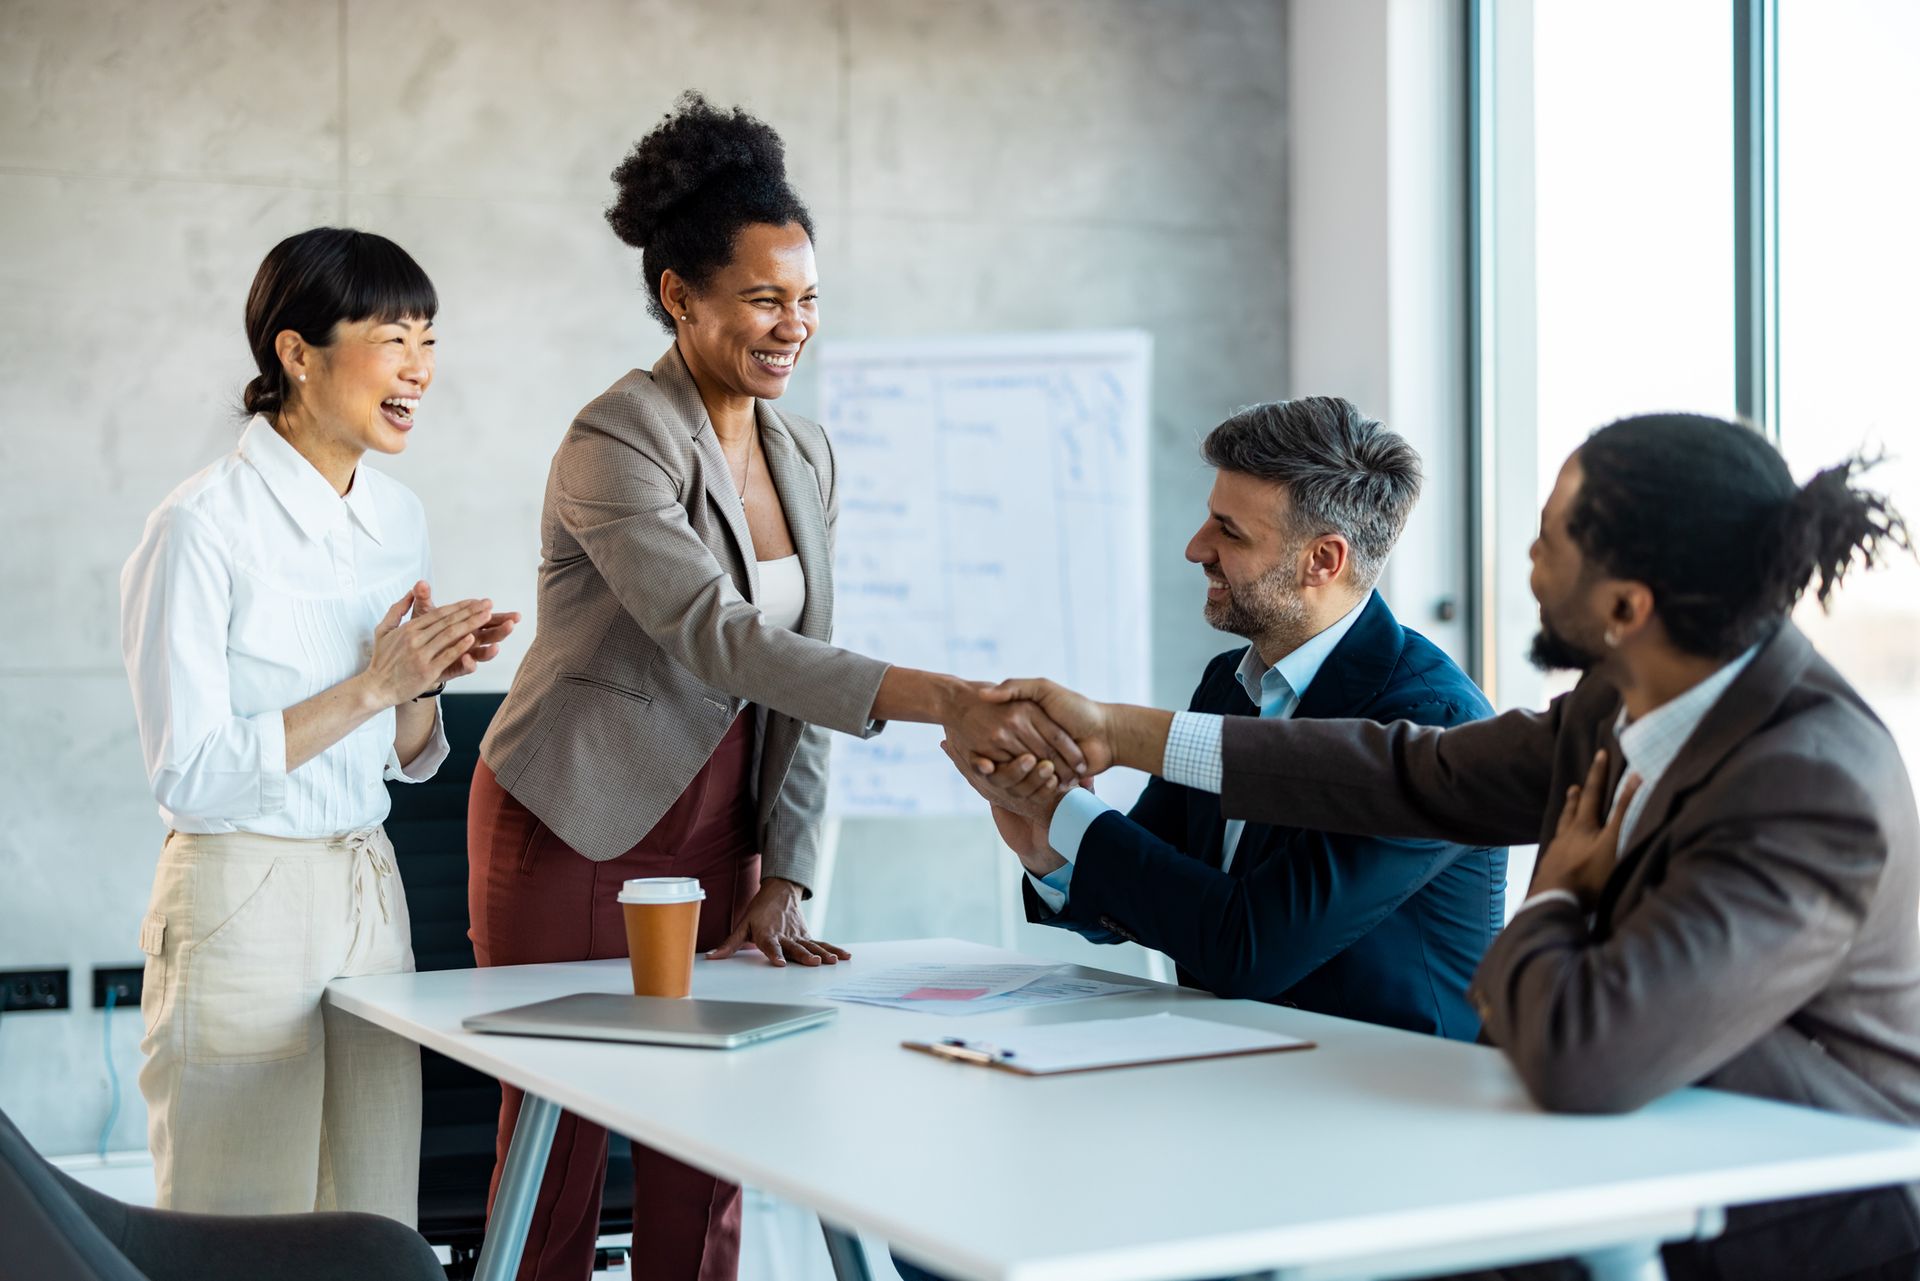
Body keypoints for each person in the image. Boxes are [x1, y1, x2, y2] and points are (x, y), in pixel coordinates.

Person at [981, 413, 1920, 1281]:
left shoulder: (1812, 785)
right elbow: (1408, 774)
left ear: (1628, 606)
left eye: (1551, 537)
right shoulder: (1621, 699)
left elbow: (1580, 1050)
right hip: (1624, 1164)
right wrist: (1116, 729)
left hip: (1805, 1227)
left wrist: (1554, 894)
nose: (1528, 556)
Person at [469, 92, 1083, 1281]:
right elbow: (718, 638)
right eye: (762, 298)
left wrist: (790, 866)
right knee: (565, 1131)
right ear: (679, 298)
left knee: (714, 1137)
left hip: (722, 829)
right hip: (572, 821)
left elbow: (801, 680)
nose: (792, 324)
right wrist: (944, 697)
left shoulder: (805, 450)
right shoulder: (618, 437)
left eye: (807, 298)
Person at [120, 228, 517, 1221]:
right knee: (240, 1224)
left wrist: (423, 682)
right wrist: (373, 686)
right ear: (297, 353)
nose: (420, 370)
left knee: (375, 1216)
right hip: (240, 894)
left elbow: (409, 757)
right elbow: (193, 778)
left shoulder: (398, 518)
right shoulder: (201, 526)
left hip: (365, 888)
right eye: (393, 338)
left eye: (430, 340)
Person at [948, 397, 1504, 1035]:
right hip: (1240, 1076)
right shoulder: (1229, 682)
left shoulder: (1429, 725)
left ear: (1323, 560)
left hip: (1393, 1105)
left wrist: (1066, 815)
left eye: (1228, 530)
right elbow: (1161, 889)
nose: (1195, 547)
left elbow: (1250, 950)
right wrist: (1050, 850)